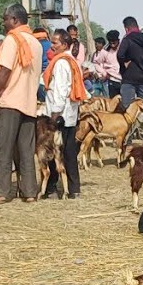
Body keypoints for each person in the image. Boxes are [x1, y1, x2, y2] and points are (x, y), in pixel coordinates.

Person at [0, 3, 43, 203]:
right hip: (29, 102)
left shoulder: (12, 40)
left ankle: (2, 192)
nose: (3, 23)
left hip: (10, 100)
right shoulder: (36, 43)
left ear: (14, 20)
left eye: (5, 19)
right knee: (26, 150)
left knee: (4, 149)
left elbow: (5, 70)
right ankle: (29, 192)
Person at [43, 29, 87, 199]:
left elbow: (61, 91)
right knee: (69, 152)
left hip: (60, 115)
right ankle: (74, 189)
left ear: (65, 45)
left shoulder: (61, 63)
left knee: (54, 152)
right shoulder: (73, 61)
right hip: (70, 114)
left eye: (55, 43)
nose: (52, 46)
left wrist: (54, 114)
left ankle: (52, 188)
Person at [117, 17, 143, 107]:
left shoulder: (127, 39)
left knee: (127, 109)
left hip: (129, 78)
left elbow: (120, 55)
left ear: (126, 28)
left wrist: (124, 67)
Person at [96, 30, 123, 98]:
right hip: (112, 81)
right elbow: (97, 63)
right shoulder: (104, 51)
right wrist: (104, 74)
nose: (112, 43)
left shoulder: (123, 49)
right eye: (110, 41)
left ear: (118, 40)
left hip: (125, 81)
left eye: (114, 40)